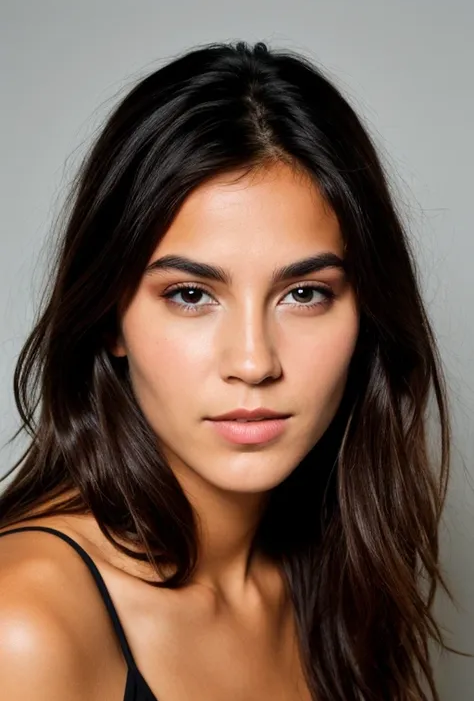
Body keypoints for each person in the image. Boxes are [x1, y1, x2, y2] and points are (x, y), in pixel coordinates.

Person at [0, 39, 465, 701]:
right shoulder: (24, 622)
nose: (253, 362)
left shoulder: (336, 578)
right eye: (191, 295)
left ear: (367, 315)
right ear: (111, 316)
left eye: (304, 293)